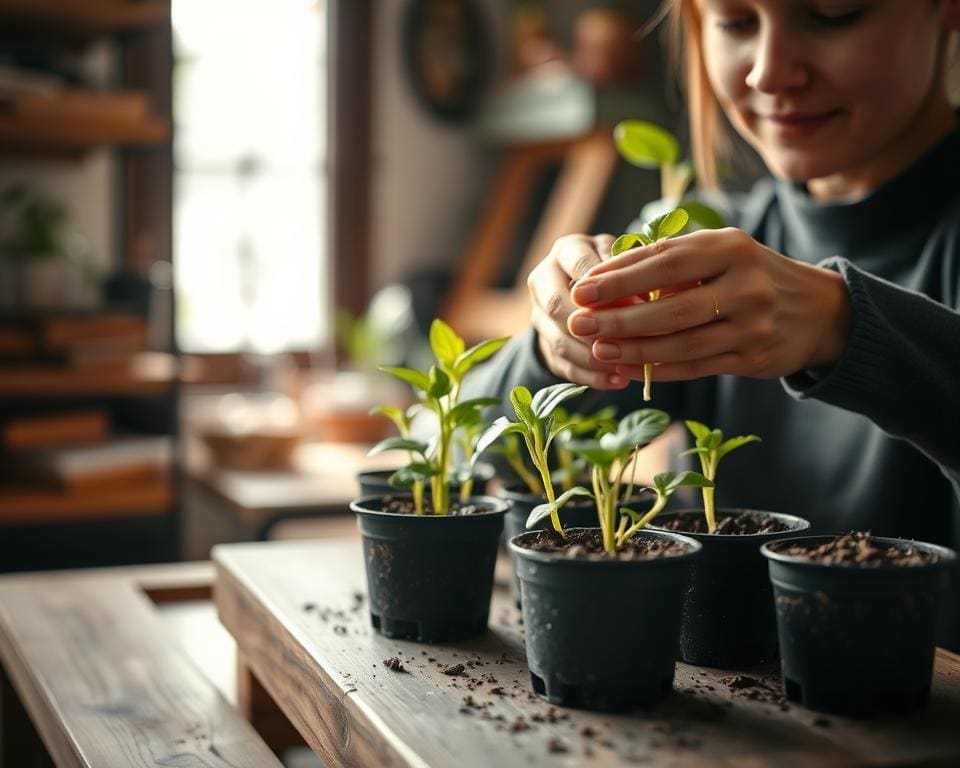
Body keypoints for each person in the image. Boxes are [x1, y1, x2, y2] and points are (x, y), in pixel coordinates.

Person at [464, 0, 960, 649]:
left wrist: (847, 325)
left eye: (833, 15)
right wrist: (555, 349)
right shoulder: (713, 245)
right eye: (735, 21)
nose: (769, 74)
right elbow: (479, 446)